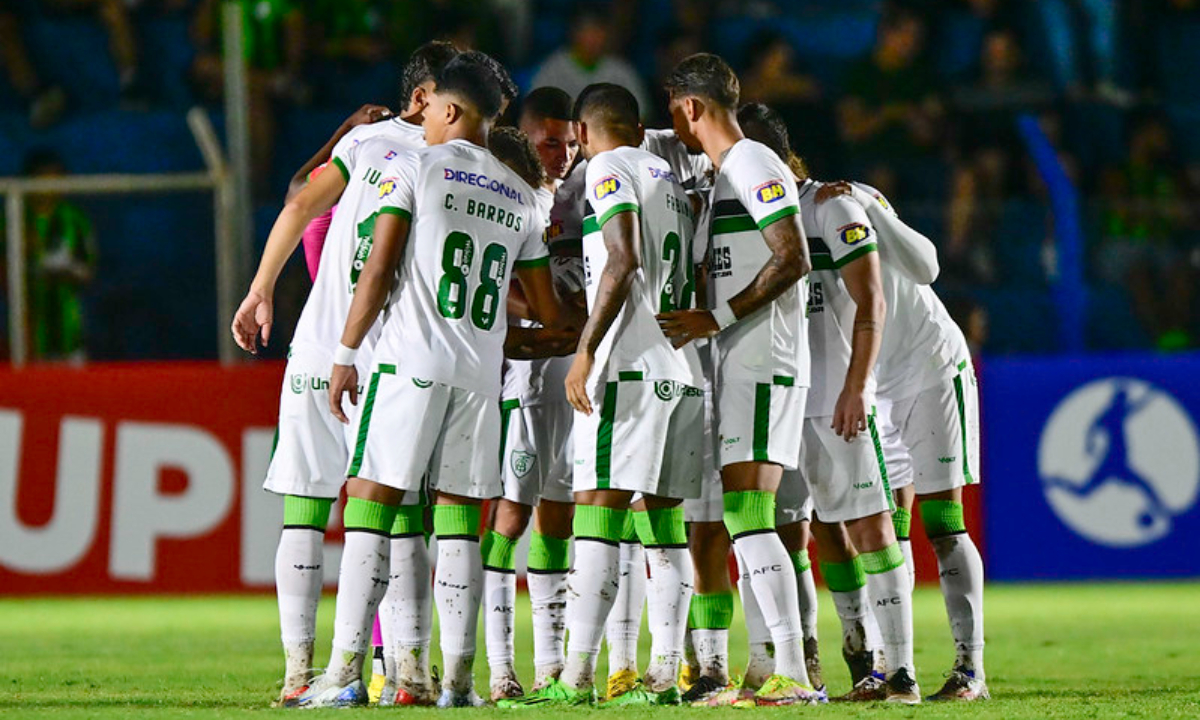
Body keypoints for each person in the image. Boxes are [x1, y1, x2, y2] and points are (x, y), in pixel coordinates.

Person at [315, 51, 567, 709]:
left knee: (370, 504)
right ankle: (457, 683)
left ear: (449, 109)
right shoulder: (523, 196)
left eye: (427, 111)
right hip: (481, 380)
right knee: (459, 522)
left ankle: (343, 673)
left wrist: (345, 353)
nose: (420, 121)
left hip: (408, 366)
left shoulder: (416, 167)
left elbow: (377, 272)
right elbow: (546, 316)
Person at [229, 41, 460, 709]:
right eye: (455, 100)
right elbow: (302, 207)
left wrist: (260, 288)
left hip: (355, 351)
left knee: (338, 513)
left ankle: (345, 674)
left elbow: (301, 202)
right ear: (423, 98)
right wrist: (261, 290)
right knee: (373, 514)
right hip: (377, 357)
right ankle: (380, 674)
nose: (462, 112)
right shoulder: (421, 152)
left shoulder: (369, 148)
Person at [506, 82, 704, 707]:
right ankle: (664, 676)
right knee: (666, 527)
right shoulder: (670, 176)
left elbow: (622, 258)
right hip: (681, 369)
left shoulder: (609, 170)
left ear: (587, 133)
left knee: (597, 513)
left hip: (629, 367)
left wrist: (587, 349)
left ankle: (575, 678)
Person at [738, 103, 919, 705]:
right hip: (777, 396)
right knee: (799, 534)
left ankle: (901, 673)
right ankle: (834, 660)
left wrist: (856, 386)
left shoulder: (829, 206)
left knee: (867, 528)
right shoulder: (741, 217)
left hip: (833, 399)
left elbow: (872, 301)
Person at [656, 53, 819, 706]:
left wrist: (713, 317)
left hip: (763, 361)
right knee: (746, 517)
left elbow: (793, 256)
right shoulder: (724, 176)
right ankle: (765, 667)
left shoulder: (752, 162)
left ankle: (795, 675)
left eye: (675, 110)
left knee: (749, 516)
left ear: (691, 107)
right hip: (743, 366)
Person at [817, 177, 989, 701]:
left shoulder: (847, 201)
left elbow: (928, 266)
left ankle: (970, 669)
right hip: (871, 387)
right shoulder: (787, 220)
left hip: (930, 368)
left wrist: (873, 208)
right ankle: (892, 669)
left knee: (942, 522)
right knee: (886, 529)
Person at [482, 86, 583, 702]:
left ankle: (549, 666)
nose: (563, 154)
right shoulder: (506, 198)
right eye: (550, 143)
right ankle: (500, 668)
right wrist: (549, 323)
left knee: (559, 518)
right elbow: (501, 283)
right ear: (523, 137)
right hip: (529, 381)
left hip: (575, 381)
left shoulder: (576, 197)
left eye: (571, 142)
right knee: (513, 514)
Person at [18, 150, 97, 362]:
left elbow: (87, 273)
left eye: (56, 176)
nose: (50, 183)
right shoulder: (13, 216)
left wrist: (65, 270)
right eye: (43, 176)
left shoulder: (75, 220)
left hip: (69, 333)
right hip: (26, 334)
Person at [530, 6, 649, 116]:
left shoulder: (620, 70)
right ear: (574, 33)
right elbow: (535, 111)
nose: (593, 38)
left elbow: (640, 114)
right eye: (587, 31)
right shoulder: (553, 69)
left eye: (598, 32)